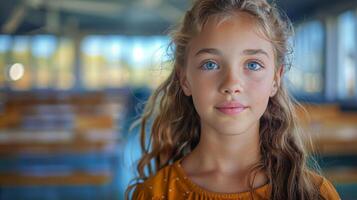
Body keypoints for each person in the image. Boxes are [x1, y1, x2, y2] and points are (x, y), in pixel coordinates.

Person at [126, 0, 341, 199]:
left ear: (275, 79)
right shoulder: (154, 193)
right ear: (185, 80)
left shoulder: (314, 193)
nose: (231, 84)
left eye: (253, 64)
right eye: (210, 64)